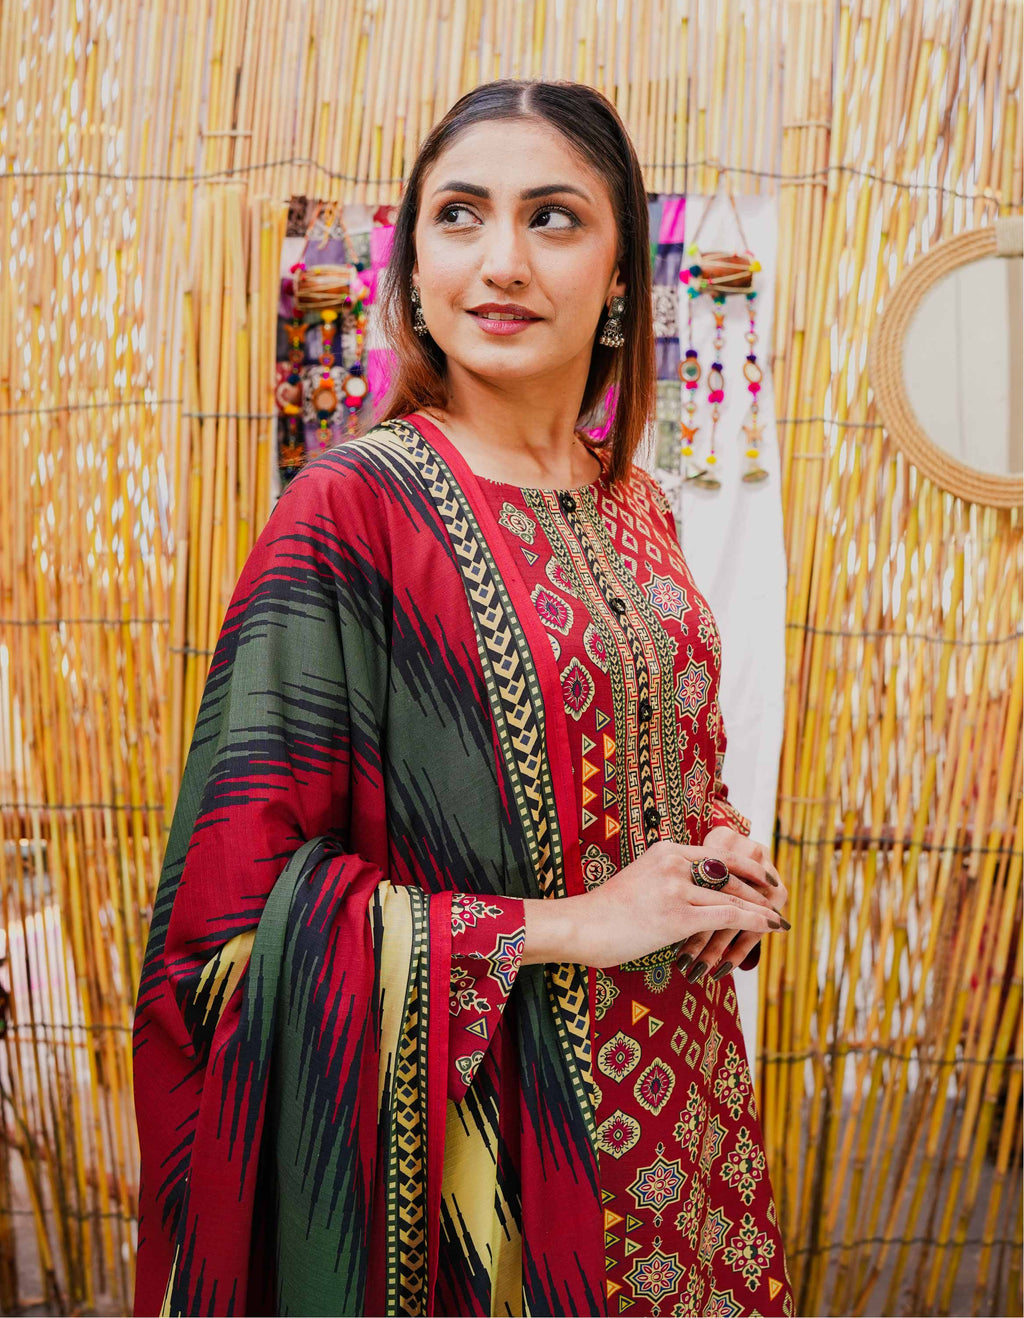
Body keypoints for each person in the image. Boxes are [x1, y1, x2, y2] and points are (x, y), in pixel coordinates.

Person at [133, 79, 793, 1318]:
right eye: (457, 216)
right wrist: (571, 925)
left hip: (682, 1127)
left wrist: (709, 866)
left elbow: (635, 783)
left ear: (618, 279)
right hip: (478, 1170)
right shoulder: (350, 513)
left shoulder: (636, 503)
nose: (501, 261)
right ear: (412, 269)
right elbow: (226, 938)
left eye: (552, 217)